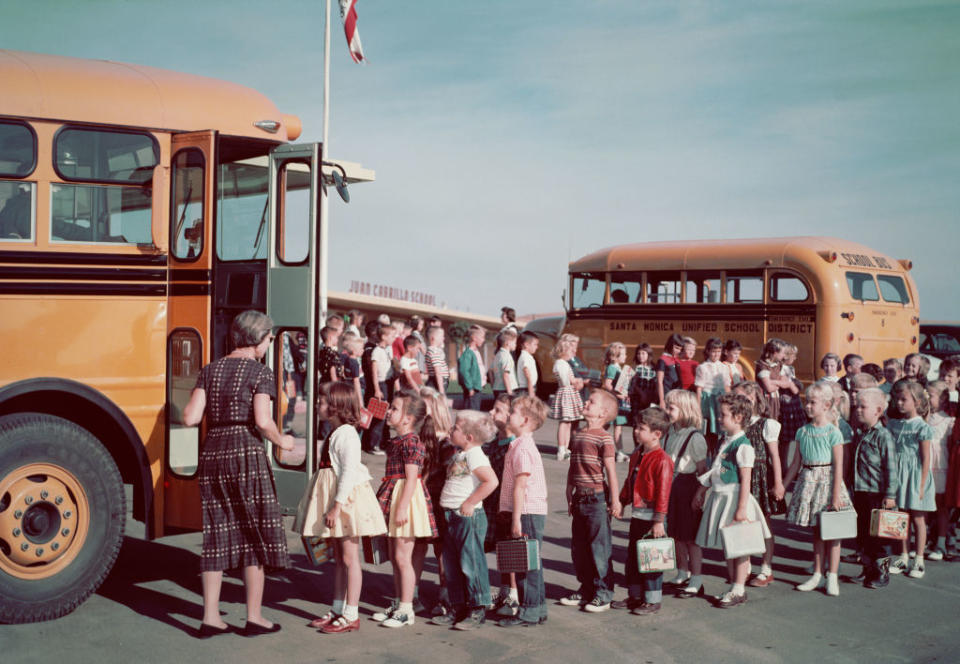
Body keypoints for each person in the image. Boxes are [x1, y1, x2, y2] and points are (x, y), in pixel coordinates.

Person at [182, 310, 294, 638]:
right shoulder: (260, 372)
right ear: (258, 339)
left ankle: (210, 617)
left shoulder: (210, 370)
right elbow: (262, 420)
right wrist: (282, 440)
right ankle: (254, 617)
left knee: (216, 534)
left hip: (214, 452)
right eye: (269, 338)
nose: (269, 343)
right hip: (245, 452)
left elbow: (190, 418)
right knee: (254, 533)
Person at [296, 382, 387, 634]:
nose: (318, 405)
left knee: (349, 559)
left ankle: (351, 613)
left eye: (324, 402)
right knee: (339, 560)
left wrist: (336, 507)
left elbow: (348, 472)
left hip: (346, 502)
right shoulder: (335, 431)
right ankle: (337, 608)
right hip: (336, 498)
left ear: (337, 407)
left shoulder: (347, 434)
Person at [691, 393, 772, 607]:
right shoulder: (725, 442)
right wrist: (701, 491)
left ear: (737, 417)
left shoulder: (743, 446)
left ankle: (739, 588)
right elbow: (715, 470)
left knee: (740, 545)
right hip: (720, 496)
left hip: (735, 499)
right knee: (729, 546)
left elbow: (746, 479)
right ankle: (734, 586)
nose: (719, 418)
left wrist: (741, 509)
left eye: (723, 415)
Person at [372, 389, 439, 628]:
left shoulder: (411, 442)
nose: (389, 412)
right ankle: (400, 602)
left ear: (408, 418)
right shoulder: (397, 441)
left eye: (394, 409)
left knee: (402, 557)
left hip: (406, 501)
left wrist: (401, 509)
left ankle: (407, 609)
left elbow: (412, 479)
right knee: (395, 556)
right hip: (396, 497)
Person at [782, 382, 853, 597]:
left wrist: (835, 496)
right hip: (809, 482)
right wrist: (783, 486)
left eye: (812, 402)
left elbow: (839, 465)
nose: (808, 406)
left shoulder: (834, 432)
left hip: (829, 483)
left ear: (827, 405)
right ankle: (817, 573)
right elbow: (796, 463)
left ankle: (832, 576)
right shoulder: (803, 431)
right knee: (816, 531)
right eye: (807, 402)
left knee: (833, 531)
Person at [430, 410, 499, 630]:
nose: (451, 430)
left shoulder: (475, 455)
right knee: (452, 565)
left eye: (456, 428)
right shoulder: (460, 454)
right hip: (451, 515)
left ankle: (477, 608)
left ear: (469, 437)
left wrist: (470, 503)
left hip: (467, 517)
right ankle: (458, 606)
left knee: (472, 564)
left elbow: (491, 481)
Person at [560, 389, 621, 613]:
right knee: (580, 547)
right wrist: (569, 490)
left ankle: (603, 593)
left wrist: (615, 500)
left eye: (591, 401)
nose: (586, 402)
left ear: (603, 412)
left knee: (599, 548)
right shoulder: (577, 434)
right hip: (579, 498)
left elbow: (611, 471)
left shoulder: (604, 437)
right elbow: (573, 465)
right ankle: (586, 588)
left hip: (596, 498)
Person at [613, 405, 673, 615]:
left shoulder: (662, 460)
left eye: (641, 428)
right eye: (636, 427)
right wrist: (620, 501)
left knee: (652, 560)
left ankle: (653, 599)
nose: (636, 431)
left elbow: (664, 493)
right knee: (634, 557)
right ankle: (635, 595)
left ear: (657, 434)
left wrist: (659, 521)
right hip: (638, 515)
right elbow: (630, 482)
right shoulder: (637, 454)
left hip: (652, 518)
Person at [497, 395, 550, 628]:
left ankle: (529, 611)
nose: (510, 415)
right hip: (529, 511)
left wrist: (516, 519)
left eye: (514, 412)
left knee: (525, 565)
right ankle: (537, 608)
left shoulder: (522, 448)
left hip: (526, 512)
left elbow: (521, 485)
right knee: (531, 563)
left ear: (526, 420)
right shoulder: (519, 444)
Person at [733, 381, 785, 587]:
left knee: (764, 524)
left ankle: (766, 567)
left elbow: (775, 455)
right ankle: (745, 566)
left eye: (742, 397)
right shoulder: (737, 423)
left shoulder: (766, 424)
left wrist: (779, 483)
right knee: (743, 521)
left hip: (761, 477)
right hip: (740, 476)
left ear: (753, 398)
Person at [659, 390, 708, 596]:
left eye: (671, 408)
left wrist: (699, 494)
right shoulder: (669, 432)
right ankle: (682, 572)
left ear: (686, 410)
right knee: (676, 534)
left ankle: (696, 578)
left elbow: (703, 471)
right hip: (670, 485)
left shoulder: (695, 438)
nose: (667, 411)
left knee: (690, 537)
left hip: (687, 486)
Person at [849, 388, 898, 589]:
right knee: (863, 534)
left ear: (878, 410)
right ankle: (867, 568)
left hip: (877, 494)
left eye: (863, 407)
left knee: (879, 537)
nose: (858, 410)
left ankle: (882, 572)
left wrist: (890, 495)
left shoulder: (883, 435)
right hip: (860, 492)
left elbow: (891, 467)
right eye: (856, 406)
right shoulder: (860, 433)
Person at [887, 379, 935, 578]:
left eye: (903, 399)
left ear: (916, 402)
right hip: (898, 476)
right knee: (901, 518)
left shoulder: (922, 427)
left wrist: (922, 485)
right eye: (897, 399)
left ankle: (919, 560)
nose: (899, 403)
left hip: (915, 477)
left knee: (918, 518)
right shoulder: (893, 424)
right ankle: (903, 556)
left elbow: (925, 460)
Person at [421, 386, 457, 620]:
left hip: (442, 503)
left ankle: (448, 596)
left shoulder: (446, 444)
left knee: (445, 553)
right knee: (435, 550)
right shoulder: (425, 440)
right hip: (427, 502)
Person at [485, 394, 519, 616]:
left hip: (507, 505)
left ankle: (514, 595)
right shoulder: (493, 444)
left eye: (497, 410)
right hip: (492, 503)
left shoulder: (515, 446)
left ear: (510, 416)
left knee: (510, 549)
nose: (491, 413)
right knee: (500, 549)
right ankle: (505, 590)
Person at [361, 322, 396, 455]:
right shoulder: (376, 352)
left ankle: (377, 442)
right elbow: (374, 372)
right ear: (384, 337)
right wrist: (377, 389)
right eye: (392, 336)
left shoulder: (384, 351)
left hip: (386, 384)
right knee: (379, 416)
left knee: (383, 415)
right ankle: (372, 444)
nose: (394, 339)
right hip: (381, 385)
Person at [549, 334, 584, 461]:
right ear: (563, 351)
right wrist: (577, 381)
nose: (572, 352)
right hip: (566, 393)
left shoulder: (563, 363)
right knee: (564, 422)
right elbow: (566, 380)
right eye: (570, 350)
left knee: (568, 422)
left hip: (568, 392)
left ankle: (565, 448)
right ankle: (561, 448)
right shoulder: (561, 364)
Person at [694, 337, 730, 444]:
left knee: (722, 427)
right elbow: (699, 389)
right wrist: (698, 408)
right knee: (709, 428)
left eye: (718, 351)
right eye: (714, 351)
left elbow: (727, 386)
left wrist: (729, 402)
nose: (716, 354)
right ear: (708, 351)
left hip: (720, 399)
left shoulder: (724, 367)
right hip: (708, 400)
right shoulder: (703, 367)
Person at [601, 342, 630, 462]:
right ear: (615, 356)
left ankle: (619, 451)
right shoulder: (613, 368)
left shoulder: (617, 367)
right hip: (614, 401)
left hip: (617, 401)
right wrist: (618, 394)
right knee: (609, 426)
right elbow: (607, 384)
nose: (625, 356)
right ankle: (619, 451)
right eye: (623, 354)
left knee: (614, 426)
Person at [755, 339, 788, 421]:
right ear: (775, 353)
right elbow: (769, 388)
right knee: (767, 421)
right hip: (766, 400)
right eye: (782, 353)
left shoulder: (779, 365)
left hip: (776, 399)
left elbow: (786, 383)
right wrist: (780, 384)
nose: (784, 356)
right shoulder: (763, 366)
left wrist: (773, 382)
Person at [457, 325, 487, 410]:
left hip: (477, 388)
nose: (483, 340)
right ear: (474, 338)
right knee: (472, 411)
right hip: (472, 390)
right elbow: (464, 371)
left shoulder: (476, 352)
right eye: (482, 337)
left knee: (475, 410)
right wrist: (470, 388)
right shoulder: (468, 354)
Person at [656, 333, 684, 408]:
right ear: (670, 345)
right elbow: (659, 381)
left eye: (680, 349)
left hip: (676, 396)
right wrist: (661, 400)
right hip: (666, 396)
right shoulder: (662, 360)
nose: (678, 351)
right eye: (676, 348)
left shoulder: (677, 360)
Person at [628, 342, 658, 414]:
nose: (640, 356)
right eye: (638, 353)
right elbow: (630, 384)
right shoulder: (634, 368)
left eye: (643, 353)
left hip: (650, 398)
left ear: (649, 354)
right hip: (636, 399)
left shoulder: (654, 368)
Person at [491, 329, 519, 398]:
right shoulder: (507, 356)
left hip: (496, 388)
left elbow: (490, 371)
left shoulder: (497, 355)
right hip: (506, 390)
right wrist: (509, 392)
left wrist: (493, 385)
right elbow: (505, 375)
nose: (516, 345)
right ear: (508, 343)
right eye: (515, 342)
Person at [339, 332, 364, 407]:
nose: (363, 350)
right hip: (356, 390)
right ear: (354, 351)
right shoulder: (355, 364)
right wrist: (360, 402)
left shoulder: (348, 360)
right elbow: (356, 382)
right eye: (361, 349)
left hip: (348, 389)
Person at [425, 326, 450, 393]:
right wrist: (441, 391)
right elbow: (438, 372)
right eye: (442, 336)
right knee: (437, 401)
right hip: (436, 382)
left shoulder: (434, 350)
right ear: (433, 338)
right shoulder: (434, 352)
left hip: (436, 380)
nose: (443, 338)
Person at [516, 331, 540, 398]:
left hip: (529, 388)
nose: (537, 347)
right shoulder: (525, 357)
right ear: (526, 345)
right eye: (535, 344)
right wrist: (531, 392)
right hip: (527, 389)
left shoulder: (527, 356)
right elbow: (528, 375)